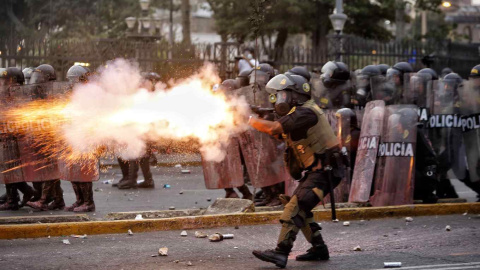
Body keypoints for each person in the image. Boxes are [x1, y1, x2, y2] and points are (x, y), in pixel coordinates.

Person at [249, 73, 345, 268]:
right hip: (320, 171)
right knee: (302, 208)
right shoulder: (299, 114)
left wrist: (251, 121)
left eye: (281, 95)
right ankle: (319, 249)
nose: (278, 100)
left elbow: (275, 128)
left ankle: (281, 253)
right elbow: (283, 133)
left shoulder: (305, 112)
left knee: (295, 208)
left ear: (295, 95)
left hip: (325, 171)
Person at [26, 64, 65, 211]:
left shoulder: (54, 93)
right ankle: (58, 200)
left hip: (52, 137)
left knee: (49, 170)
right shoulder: (41, 94)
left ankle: (43, 201)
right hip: (42, 136)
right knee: (49, 171)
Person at [0, 67, 39, 210]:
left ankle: (16, 198)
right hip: (7, 137)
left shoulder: (16, 93)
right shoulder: (8, 92)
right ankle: (13, 196)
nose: (3, 82)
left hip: (12, 138)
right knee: (8, 170)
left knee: (10, 170)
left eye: (6, 80)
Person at [62, 65, 97, 212]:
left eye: (74, 80)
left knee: (84, 171)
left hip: (86, 138)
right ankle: (79, 200)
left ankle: (88, 202)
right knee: (74, 171)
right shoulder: (71, 94)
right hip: (73, 135)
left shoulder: (91, 94)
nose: (71, 83)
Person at [117, 73, 160, 189]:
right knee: (143, 155)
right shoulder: (146, 93)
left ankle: (132, 180)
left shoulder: (151, 95)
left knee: (135, 152)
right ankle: (148, 180)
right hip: (144, 128)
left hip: (145, 128)